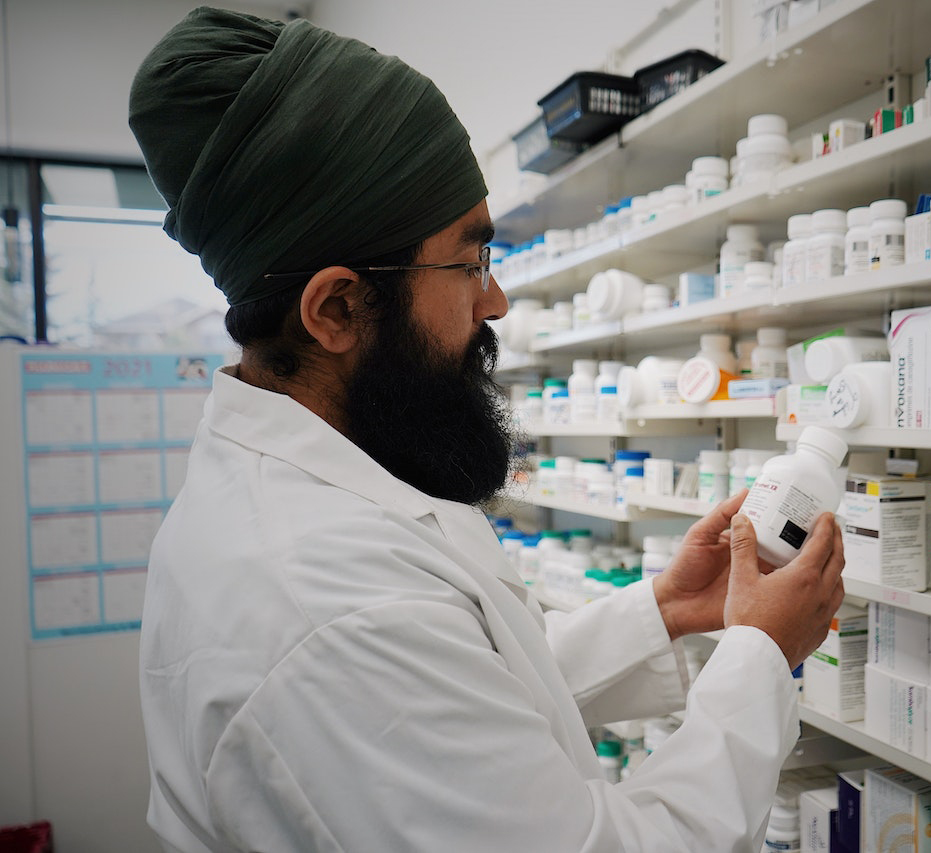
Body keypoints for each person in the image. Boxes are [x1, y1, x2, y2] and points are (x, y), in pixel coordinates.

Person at [129, 8, 845, 852]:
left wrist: (666, 609)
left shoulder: (328, 493)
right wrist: (761, 653)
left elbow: (467, 698)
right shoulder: (322, 601)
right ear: (336, 307)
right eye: (469, 261)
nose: (494, 299)